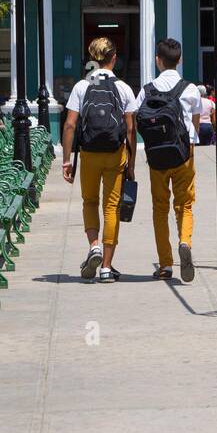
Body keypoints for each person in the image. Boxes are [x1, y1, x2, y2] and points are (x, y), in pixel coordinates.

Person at [127, 38, 203, 282]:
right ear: (179, 60)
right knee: (185, 204)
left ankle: (165, 264)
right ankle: (185, 241)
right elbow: (195, 123)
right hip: (183, 154)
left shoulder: (147, 90)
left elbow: (134, 119)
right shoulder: (189, 88)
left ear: (157, 60)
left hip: (157, 156)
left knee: (160, 208)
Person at [61, 37, 136, 282]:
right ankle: (106, 266)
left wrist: (66, 161)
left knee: (90, 201)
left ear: (92, 59)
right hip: (115, 153)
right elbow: (130, 130)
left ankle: (93, 245)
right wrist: (131, 164)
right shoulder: (124, 88)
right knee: (111, 206)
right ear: (114, 58)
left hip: (90, 153)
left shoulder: (82, 87)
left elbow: (70, 124)